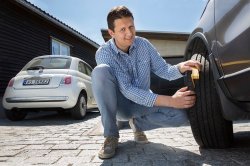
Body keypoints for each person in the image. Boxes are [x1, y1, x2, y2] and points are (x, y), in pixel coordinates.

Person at [92, 6, 201, 159]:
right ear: (111, 33)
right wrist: (171, 100)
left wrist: (181, 67)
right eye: (122, 29)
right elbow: (127, 89)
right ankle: (111, 136)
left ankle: (137, 124)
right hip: (119, 106)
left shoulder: (144, 45)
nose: (129, 33)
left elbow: (164, 70)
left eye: (131, 27)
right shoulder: (104, 53)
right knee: (100, 71)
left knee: (180, 116)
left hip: (143, 104)